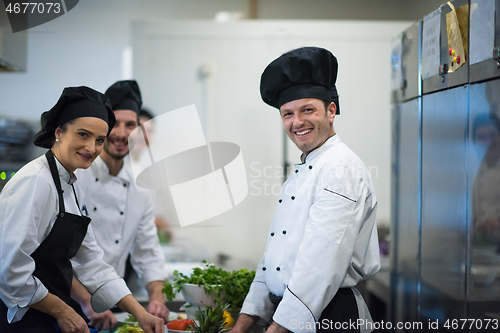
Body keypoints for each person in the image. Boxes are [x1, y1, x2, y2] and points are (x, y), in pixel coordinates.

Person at [232, 47, 380, 333]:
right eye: (287, 113)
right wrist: (242, 325)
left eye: (307, 110)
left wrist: (275, 330)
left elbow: (318, 267)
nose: (297, 122)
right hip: (291, 317)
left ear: (331, 111)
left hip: (330, 318)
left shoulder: (341, 169)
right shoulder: (305, 168)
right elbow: (273, 260)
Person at [0, 86, 164, 333]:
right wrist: (62, 310)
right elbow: (10, 268)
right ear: (59, 132)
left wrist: (140, 313)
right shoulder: (36, 181)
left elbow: (90, 261)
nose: (92, 147)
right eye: (83, 135)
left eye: (99, 140)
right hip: (19, 318)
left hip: (45, 316)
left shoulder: (70, 183)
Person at [71, 80, 169, 330]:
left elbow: (147, 250)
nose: (122, 133)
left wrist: (156, 295)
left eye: (131, 125)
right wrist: (84, 300)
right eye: (115, 123)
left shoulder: (139, 186)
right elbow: (53, 254)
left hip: (114, 301)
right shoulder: (76, 176)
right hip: (67, 302)